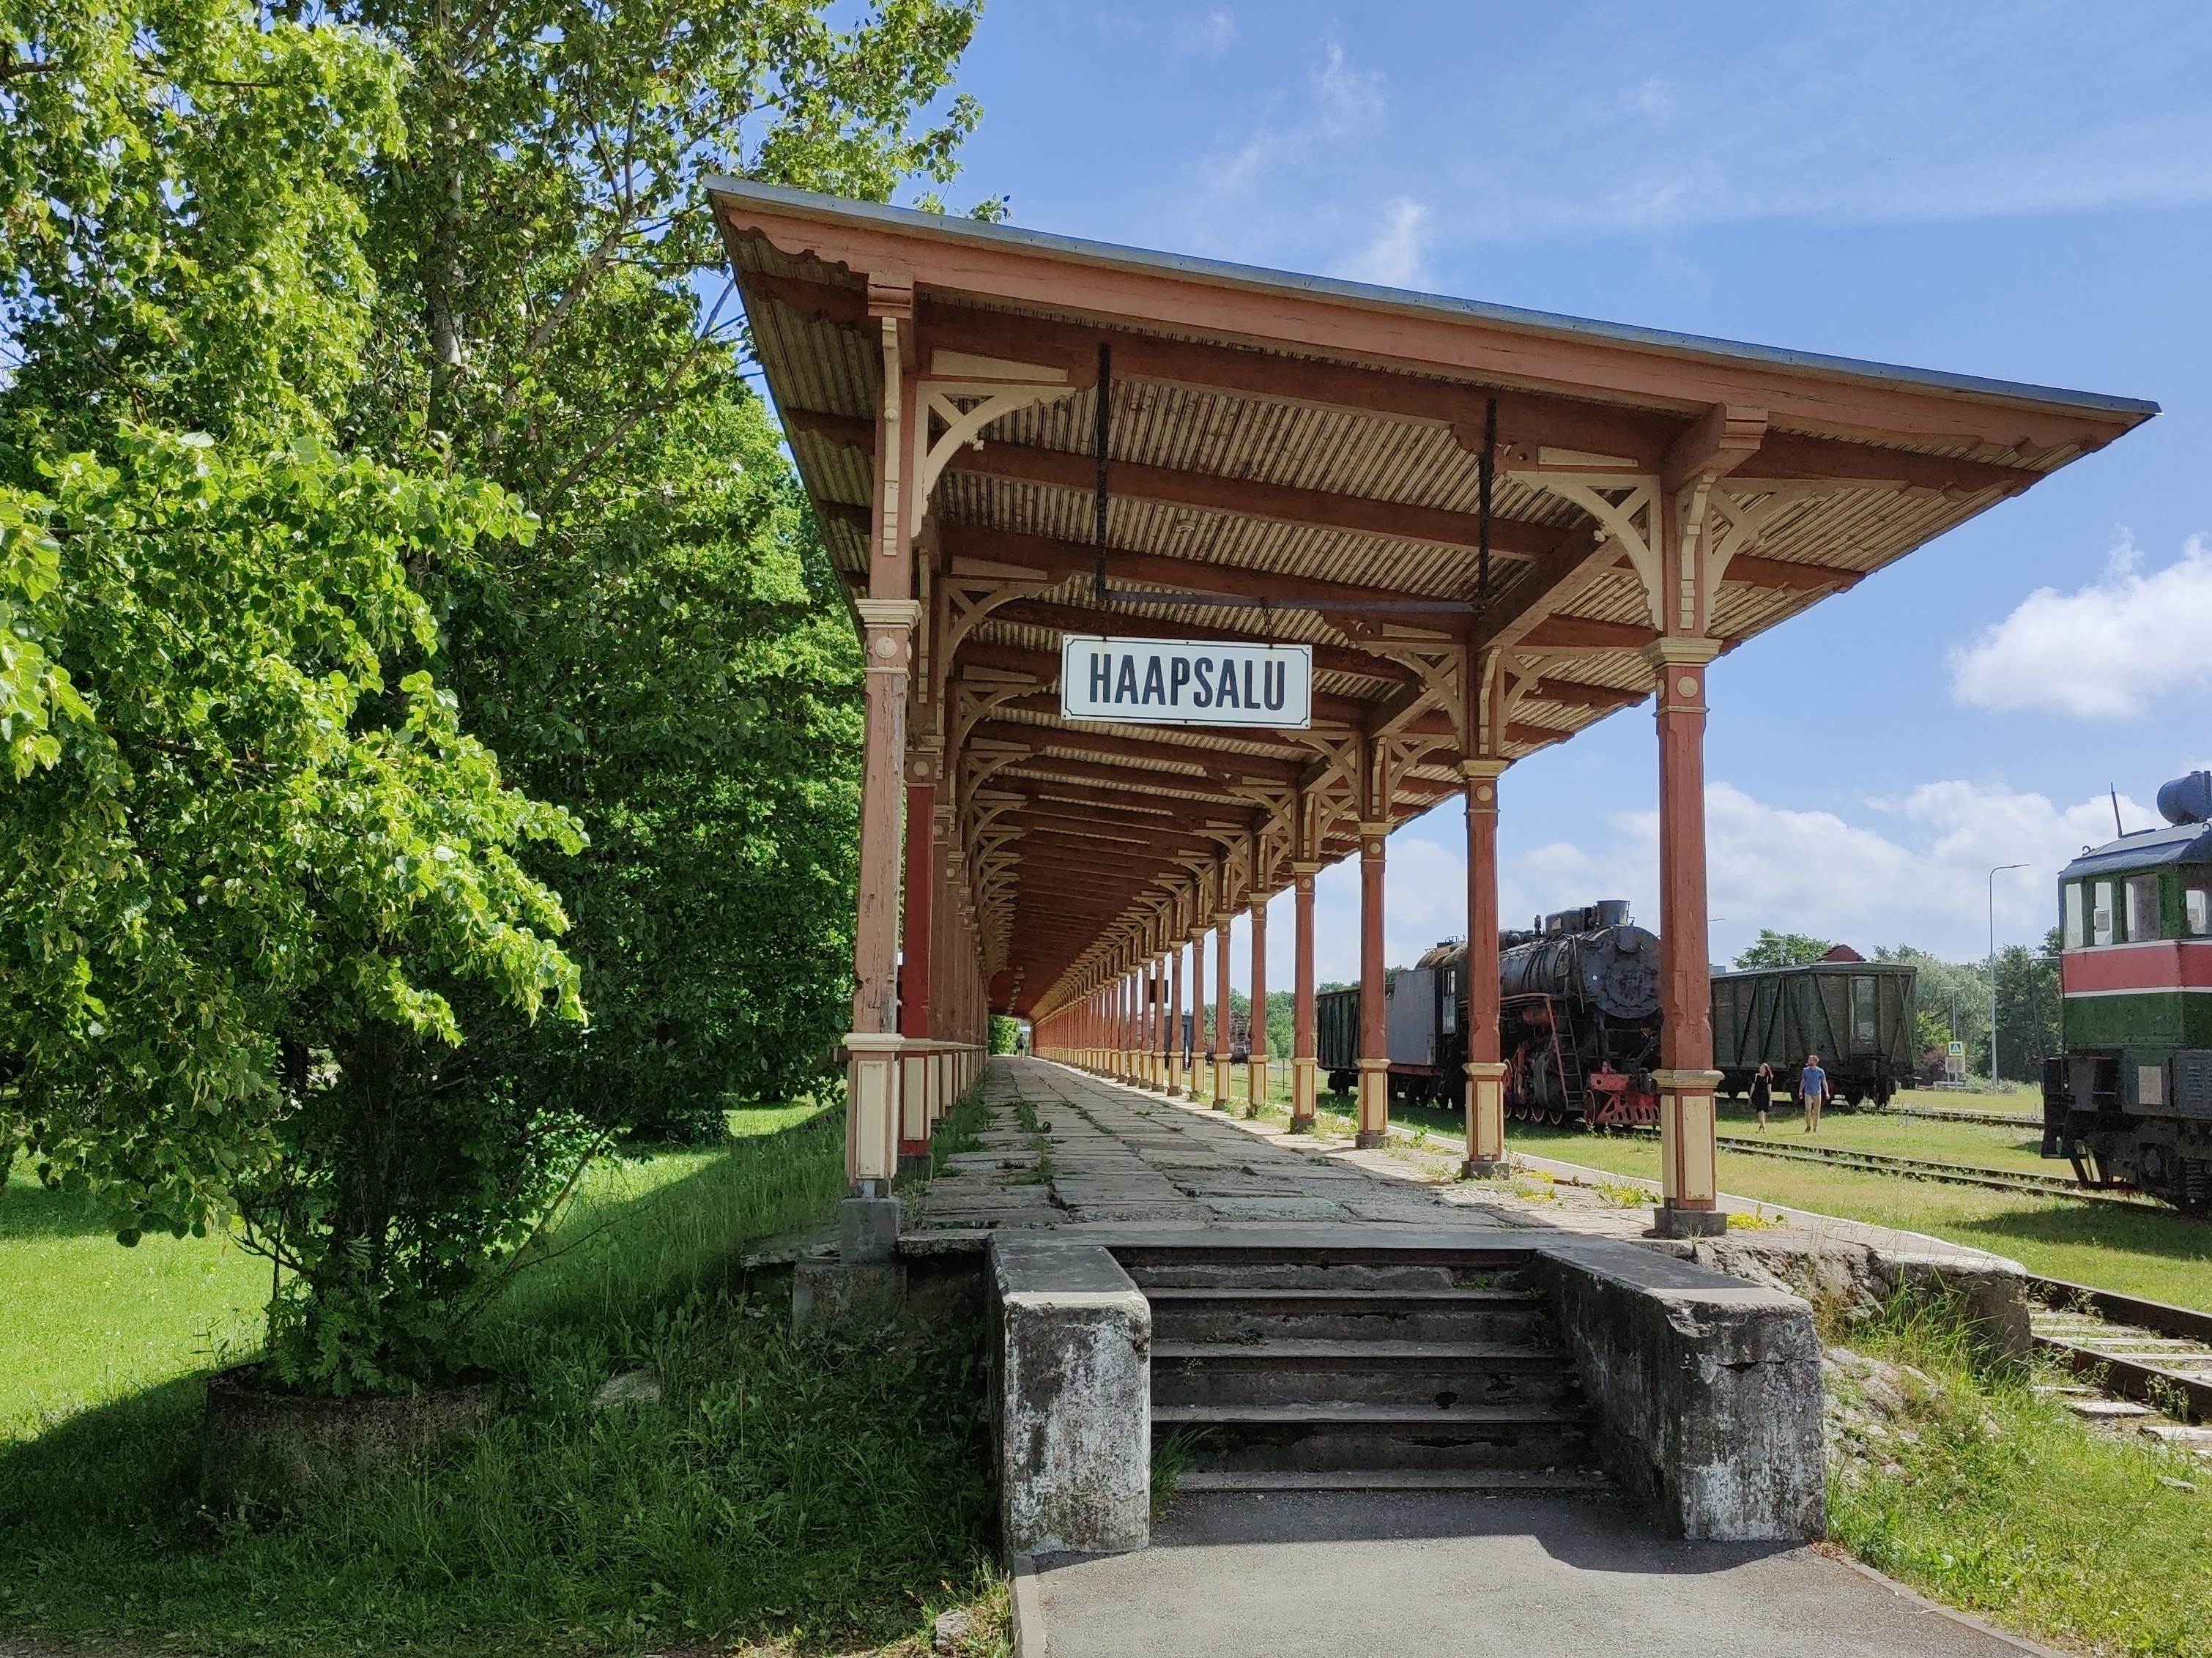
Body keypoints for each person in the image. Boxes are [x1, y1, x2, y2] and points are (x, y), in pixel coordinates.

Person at [1800, 1052, 1829, 1133]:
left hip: (1817, 1092)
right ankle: (1808, 1126)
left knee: (1816, 1111)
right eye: (1808, 1060)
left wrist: (1827, 1093)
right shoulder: (1805, 1071)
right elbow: (1803, 1081)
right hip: (1808, 1092)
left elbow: (1824, 1082)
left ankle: (1815, 1127)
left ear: (1815, 1062)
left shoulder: (1820, 1071)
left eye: (1810, 1060)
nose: (1808, 1061)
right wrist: (1800, 1091)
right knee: (1808, 1110)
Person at [1749, 1062, 1774, 1133]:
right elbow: (1753, 1087)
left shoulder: (1768, 1078)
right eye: (1760, 1067)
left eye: (1762, 1068)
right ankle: (1764, 1128)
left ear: (1766, 1070)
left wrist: (1770, 1099)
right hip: (1757, 1096)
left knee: (1765, 1113)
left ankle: (1761, 1126)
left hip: (1765, 1096)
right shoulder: (1756, 1076)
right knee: (1760, 1112)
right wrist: (1750, 1096)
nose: (1761, 1068)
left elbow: (1769, 1088)